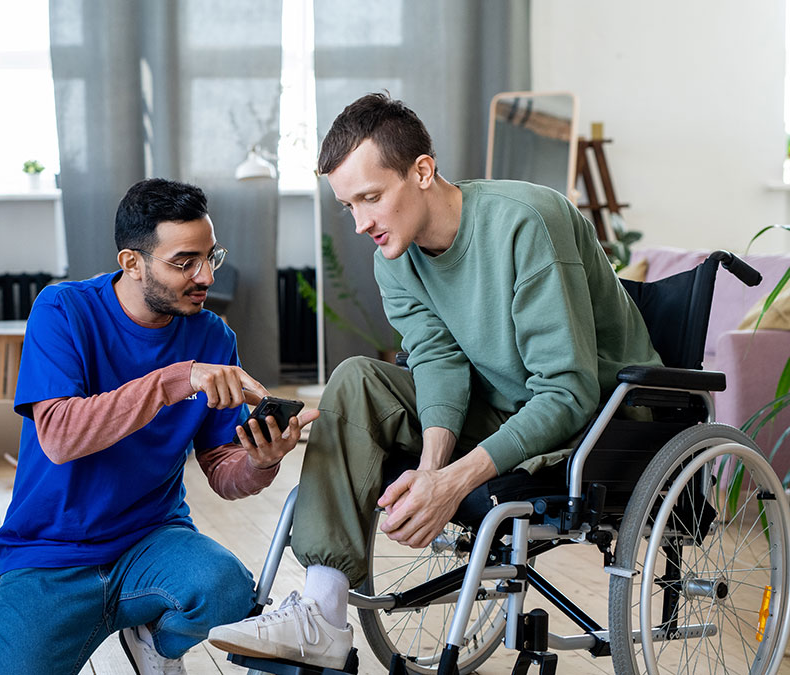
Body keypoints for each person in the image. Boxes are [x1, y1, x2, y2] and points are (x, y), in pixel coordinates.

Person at [207, 93, 662, 668]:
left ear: (422, 171)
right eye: (348, 205)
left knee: (481, 415)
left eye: (371, 198)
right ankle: (322, 616)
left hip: (600, 421)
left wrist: (452, 483)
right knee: (356, 379)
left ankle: (322, 616)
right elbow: (438, 363)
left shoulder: (527, 223)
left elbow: (567, 392)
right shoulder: (393, 257)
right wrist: (429, 471)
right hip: (502, 405)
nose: (361, 223)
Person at [0, 178, 319, 675]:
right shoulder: (62, 311)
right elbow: (59, 436)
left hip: (152, 539)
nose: (204, 275)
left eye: (210, 257)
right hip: (51, 556)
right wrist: (177, 379)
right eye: (184, 262)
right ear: (132, 263)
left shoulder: (214, 337)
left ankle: (154, 640)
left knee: (226, 589)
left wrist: (260, 463)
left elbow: (222, 468)